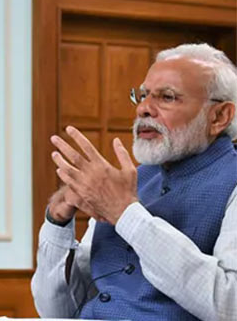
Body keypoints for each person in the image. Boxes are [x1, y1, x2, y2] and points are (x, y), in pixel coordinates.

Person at [31, 43, 237, 321]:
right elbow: (58, 312)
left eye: (167, 97)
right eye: (142, 95)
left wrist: (127, 214)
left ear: (219, 116)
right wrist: (57, 222)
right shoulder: (130, 181)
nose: (143, 109)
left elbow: (229, 305)